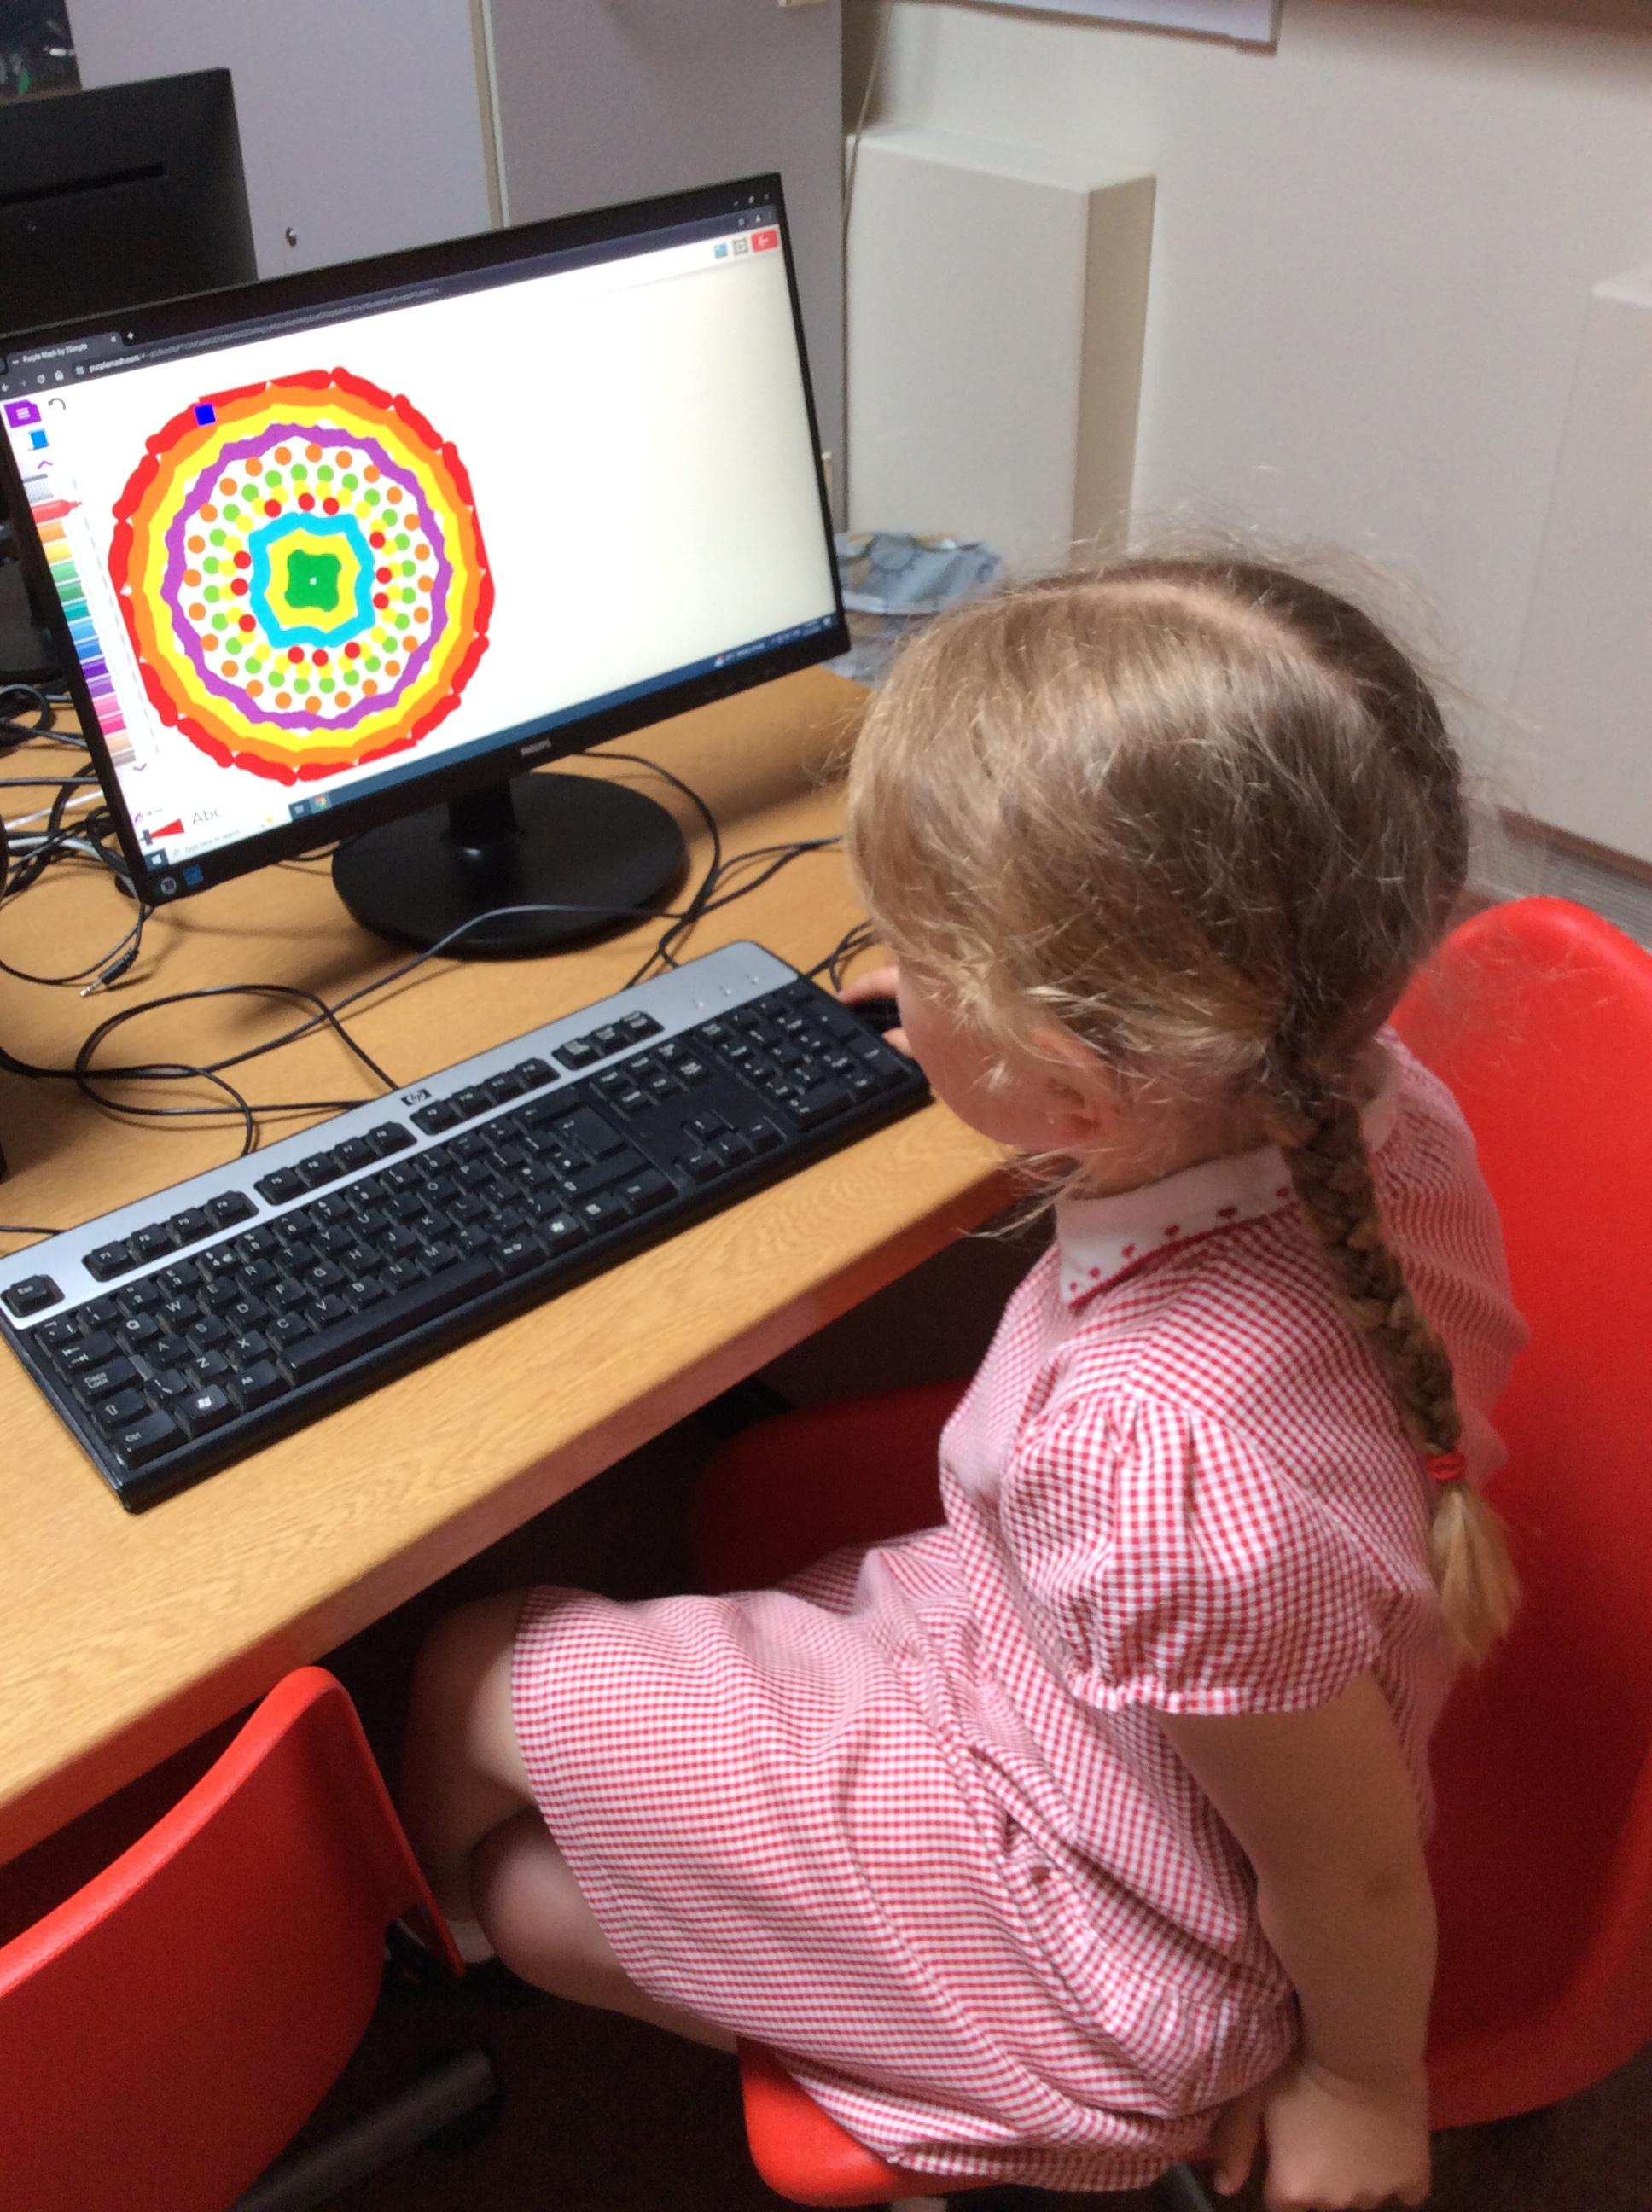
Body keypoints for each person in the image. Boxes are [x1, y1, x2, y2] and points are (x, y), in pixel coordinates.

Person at [399, 554, 1527, 2209]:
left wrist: (1361, 2078)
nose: (894, 980)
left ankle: (438, 1943)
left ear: (1074, 1082)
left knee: (475, 1682)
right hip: (1110, 1751)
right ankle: (613, 1933)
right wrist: (964, 1026)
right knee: (551, 1843)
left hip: (1110, 1959)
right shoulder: (1367, 1100)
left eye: (918, 955)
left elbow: (1346, 1870)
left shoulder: (1158, 1469)